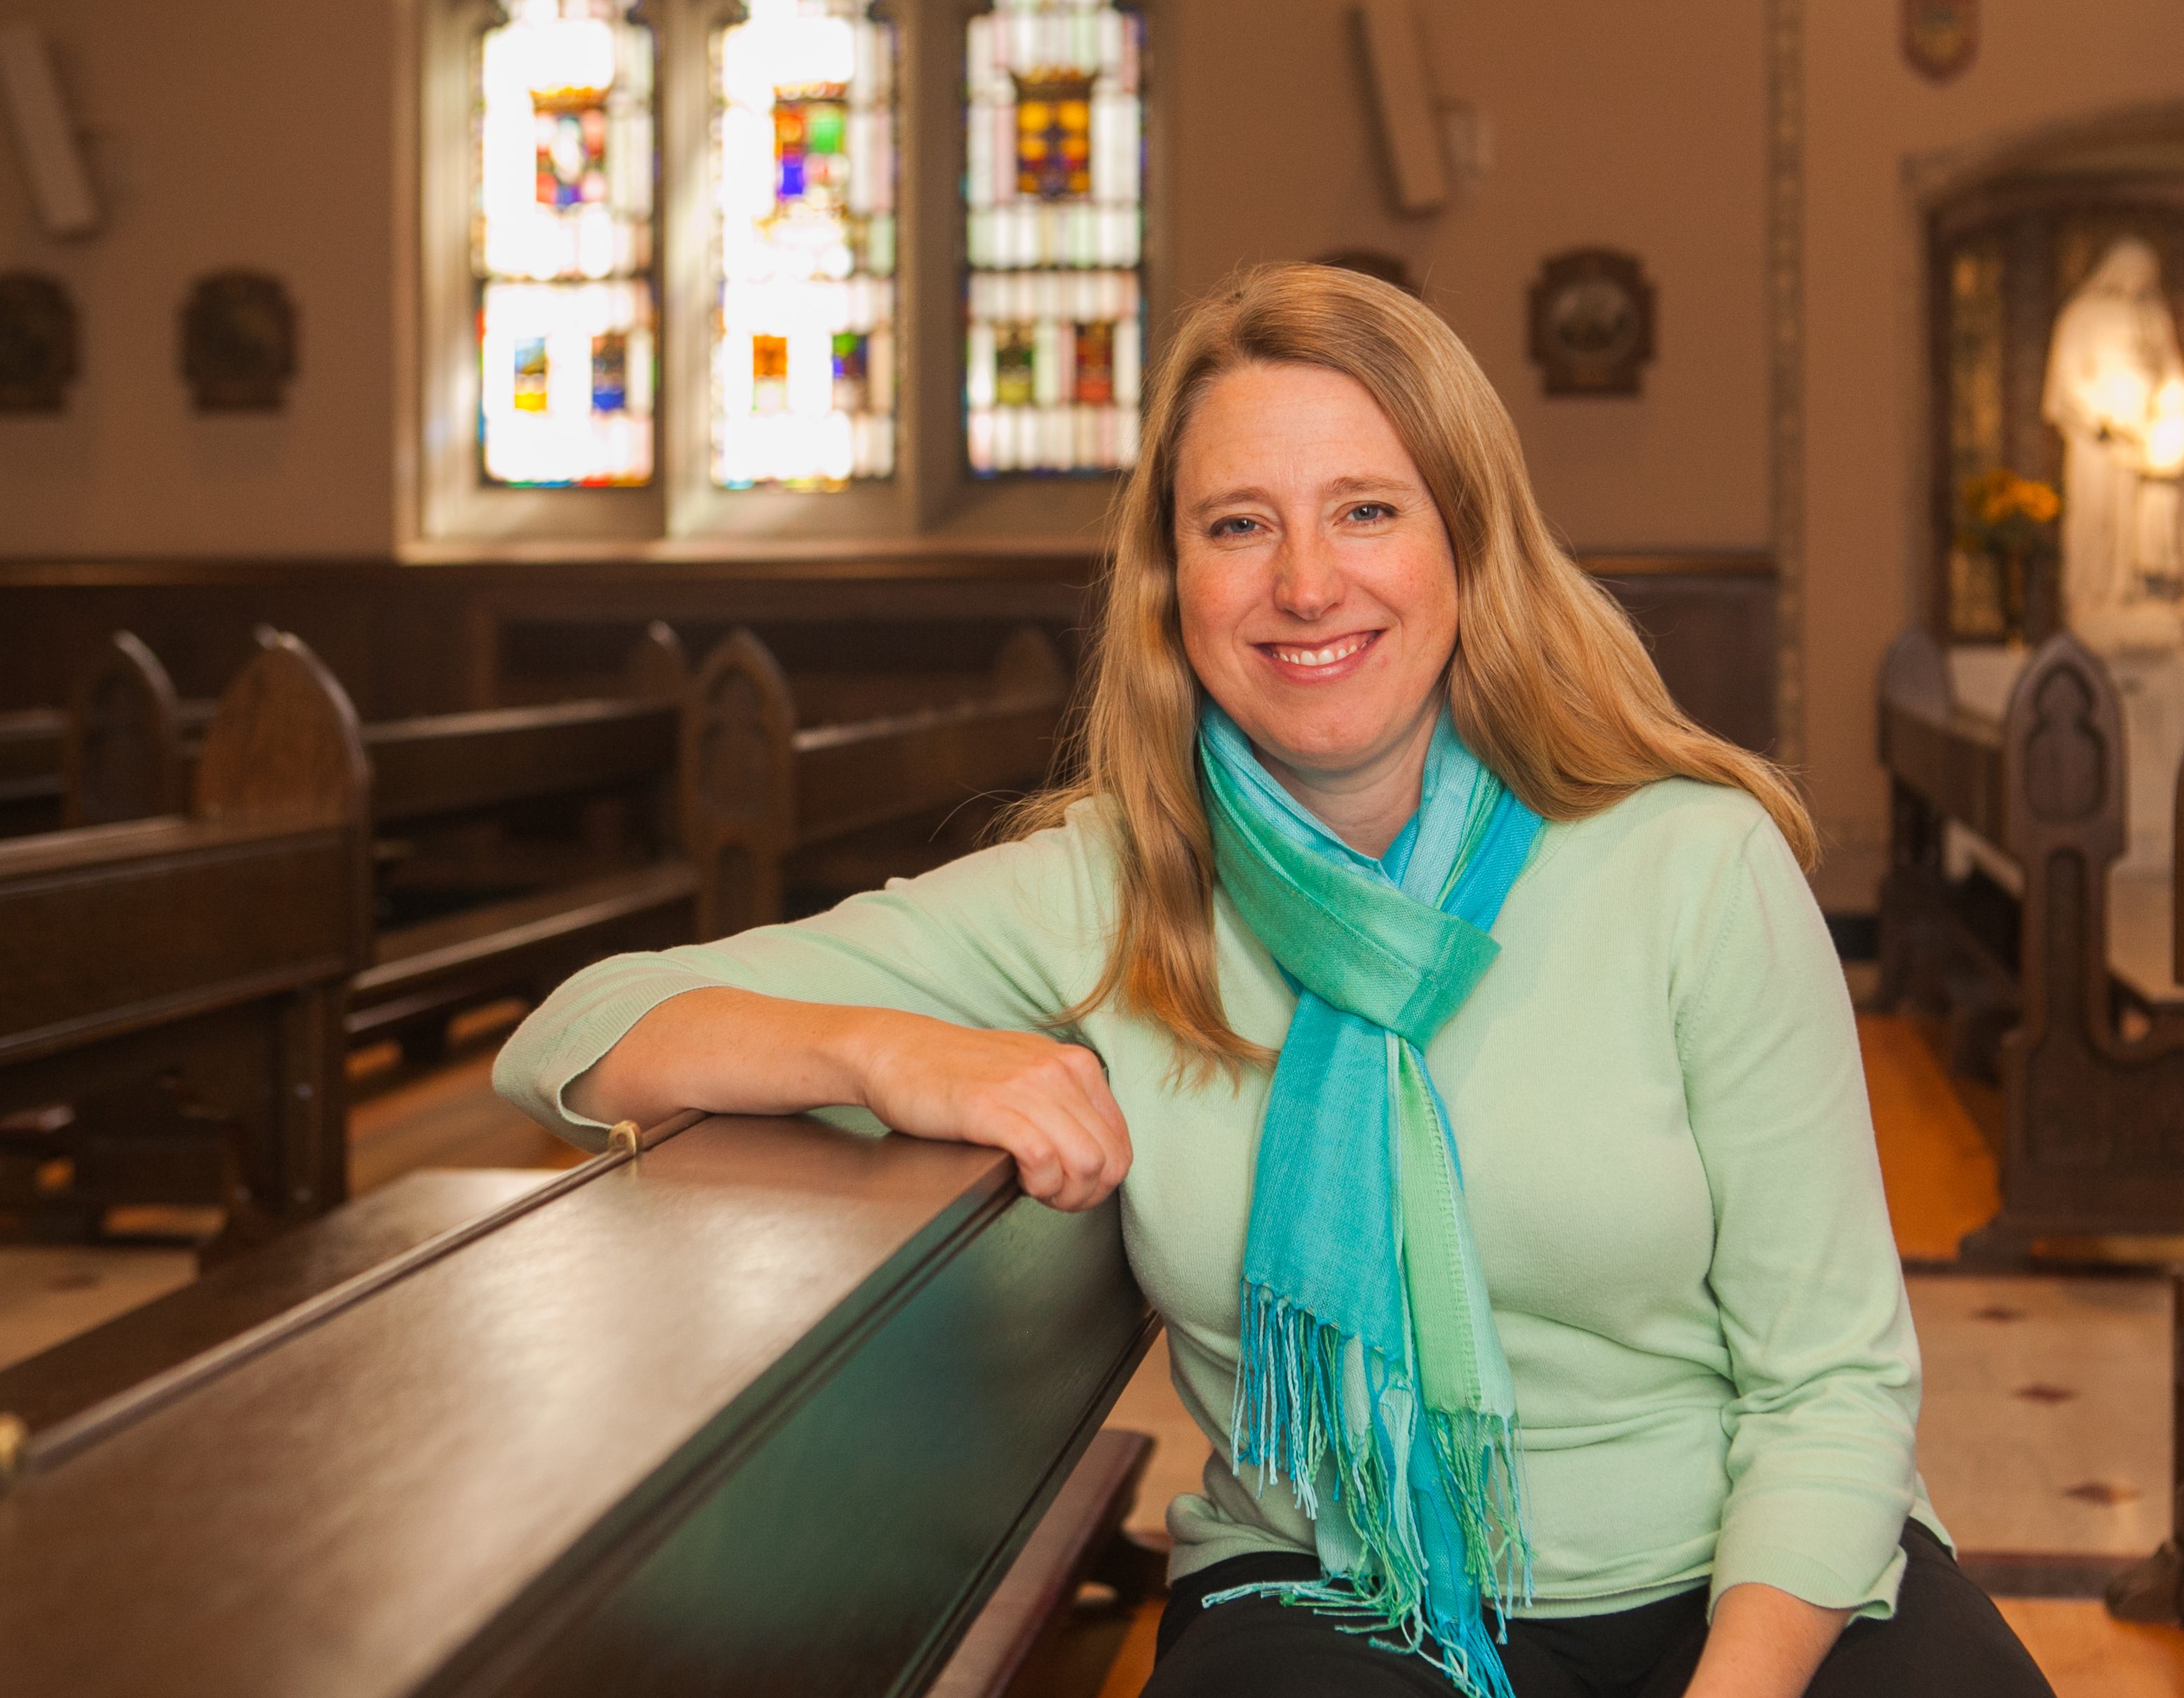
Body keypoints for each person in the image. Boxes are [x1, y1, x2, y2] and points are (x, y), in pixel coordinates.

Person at [494, 264, 2052, 1698]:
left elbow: (1832, 1381)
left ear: (1468, 541)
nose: (1306, 583)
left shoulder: (1688, 863)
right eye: (1238, 524)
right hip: (1332, 1596)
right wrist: (889, 1052)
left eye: (1366, 509)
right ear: (1170, 580)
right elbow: (575, 1030)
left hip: (1745, 1580)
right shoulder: (1109, 888)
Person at [2042, 237, 2184, 651]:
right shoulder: (2080, 315)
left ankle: (2143, 598)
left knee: (2145, 526)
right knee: (2100, 525)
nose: (2140, 283)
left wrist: (2175, 413)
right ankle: (2096, 600)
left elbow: (2171, 373)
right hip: (2098, 446)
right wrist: (2107, 418)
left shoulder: (2153, 316)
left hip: (2145, 446)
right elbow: (2066, 384)